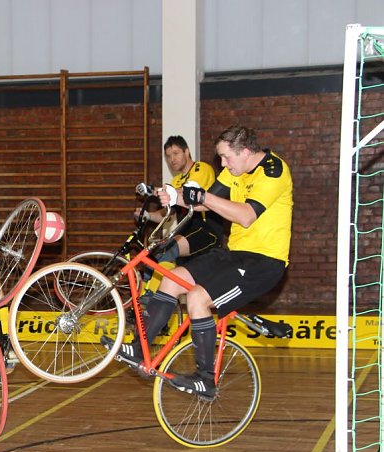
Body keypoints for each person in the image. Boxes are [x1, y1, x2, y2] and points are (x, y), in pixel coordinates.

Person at [106, 125, 293, 399]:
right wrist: (176, 197)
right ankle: (139, 349)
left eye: (227, 158)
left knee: (197, 299)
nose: (223, 164)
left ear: (246, 152)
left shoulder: (273, 171)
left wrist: (203, 196)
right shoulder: (234, 170)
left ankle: (206, 379)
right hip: (234, 253)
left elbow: (245, 216)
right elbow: (207, 203)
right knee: (171, 279)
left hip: (263, 262)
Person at [138, 136, 220, 281]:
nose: (172, 159)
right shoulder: (175, 181)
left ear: (187, 152)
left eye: (176, 154)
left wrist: (152, 190)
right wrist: (148, 215)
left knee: (165, 251)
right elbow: (168, 214)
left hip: (206, 231)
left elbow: (187, 193)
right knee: (182, 284)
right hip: (185, 234)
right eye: (168, 156)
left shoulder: (201, 168)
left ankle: (148, 297)